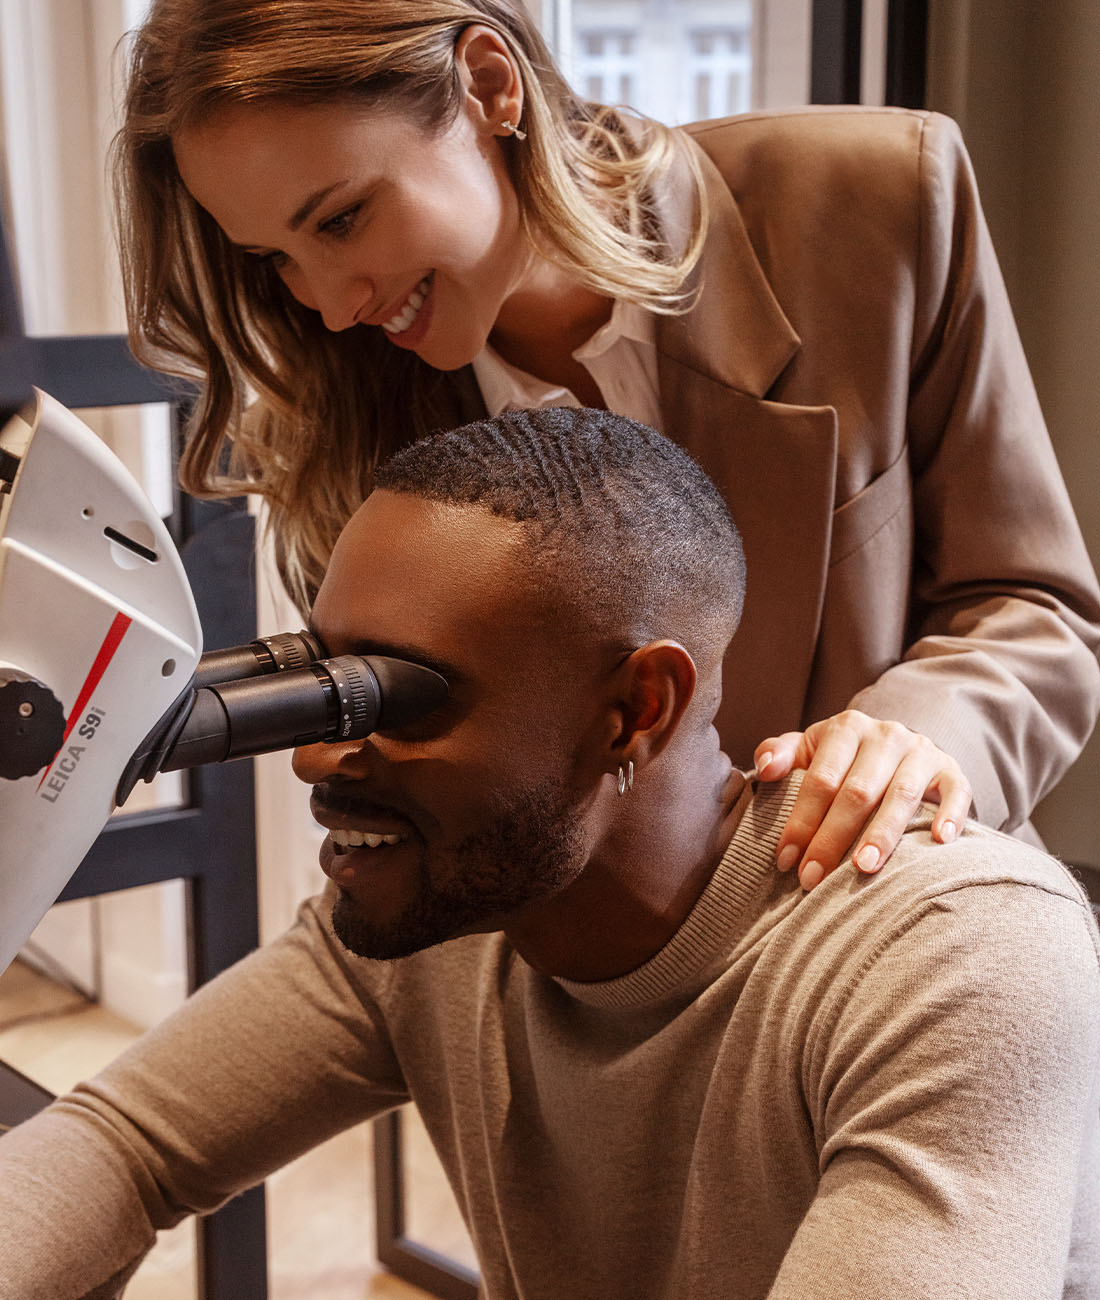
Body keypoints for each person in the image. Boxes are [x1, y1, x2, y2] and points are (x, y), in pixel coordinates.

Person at [0, 406, 1097, 1299]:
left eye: (399, 698)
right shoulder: (441, 916)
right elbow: (122, 1143)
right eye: (327, 683)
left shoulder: (953, 956)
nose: (320, 763)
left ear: (632, 712)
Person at [112, 0, 1100, 886]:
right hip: (574, 980)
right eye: (273, 260)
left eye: (341, 218)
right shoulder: (356, 416)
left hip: (876, 914)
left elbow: (1033, 609)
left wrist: (915, 735)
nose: (329, 306)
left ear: (489, 86)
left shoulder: (875, 199)